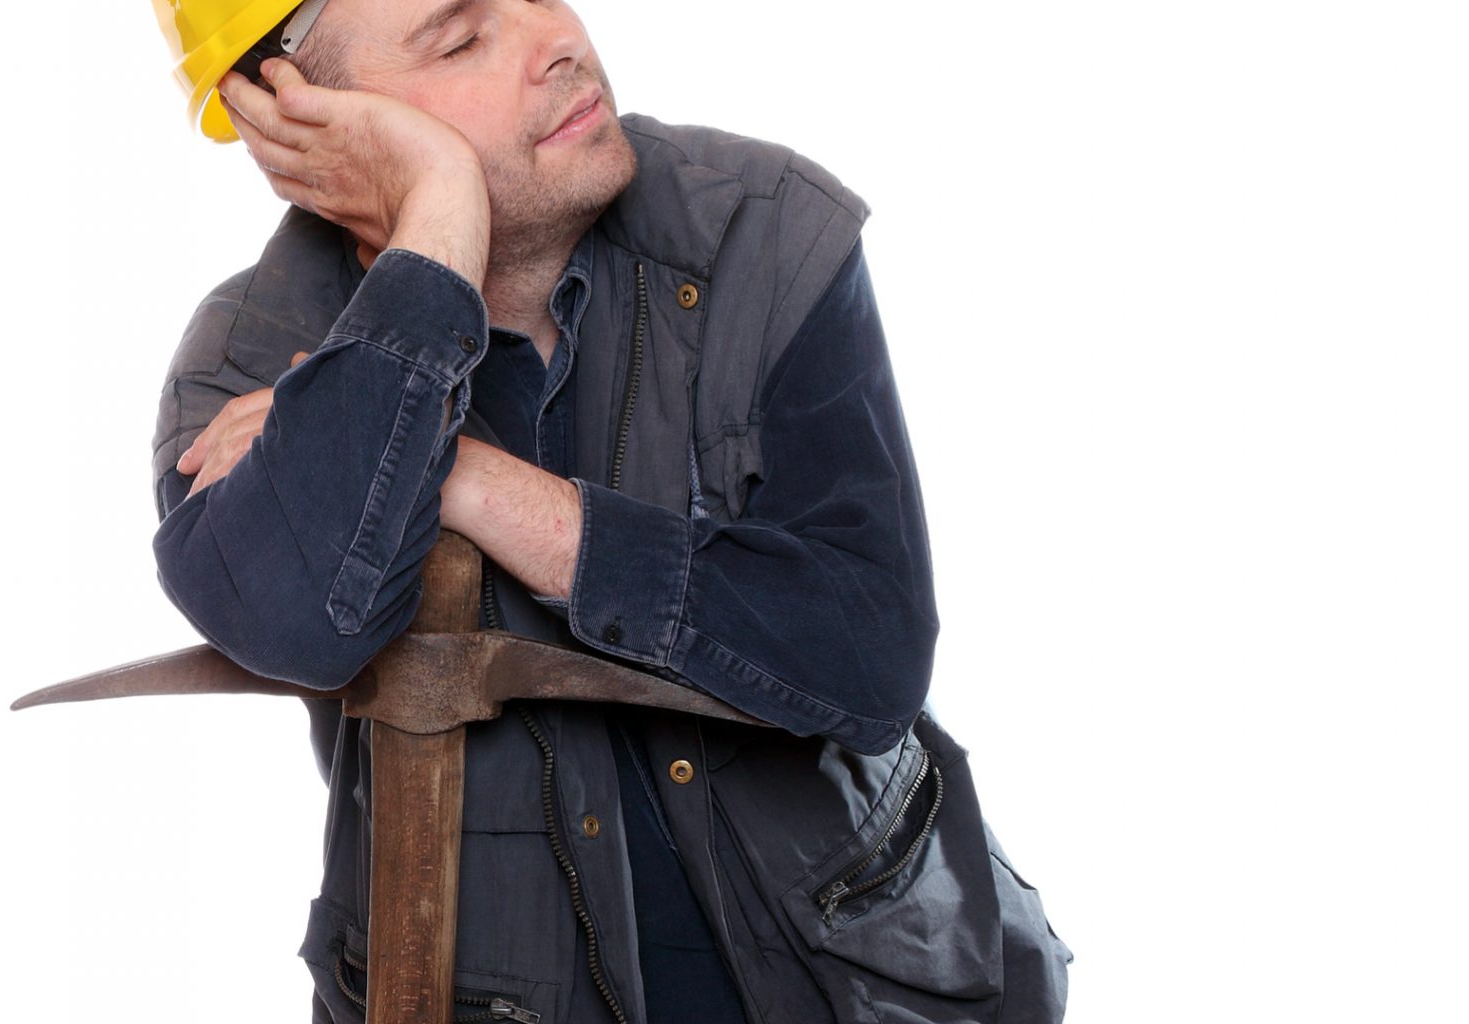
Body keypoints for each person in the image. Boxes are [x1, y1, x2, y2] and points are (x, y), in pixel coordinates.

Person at [148, 1, 1073, 1021]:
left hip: (862, 986)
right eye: (461, 39)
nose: (558, 42)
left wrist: (466, 479)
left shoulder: (761, 229)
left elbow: (867, 655)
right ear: (294, 117)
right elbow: (294, 619)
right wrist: (438, 216)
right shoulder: (249, 352)